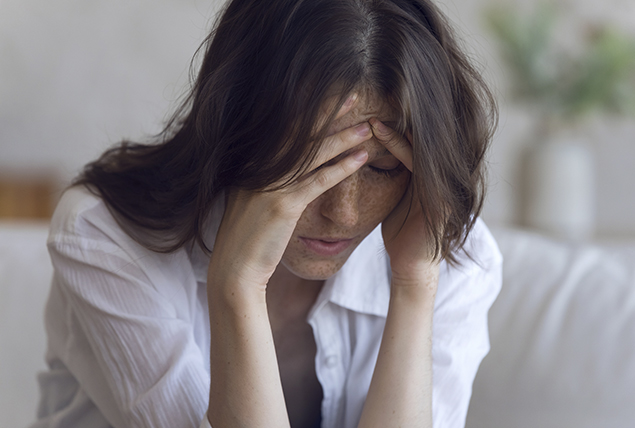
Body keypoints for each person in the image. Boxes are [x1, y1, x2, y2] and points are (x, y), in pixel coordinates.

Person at [32, 0, 502, 427]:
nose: (342, 212)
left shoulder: (450, 256)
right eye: (311, 167)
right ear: (237, 129)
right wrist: (237, 286)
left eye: (382, 168)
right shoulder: (105, 239)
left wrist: (414, 286)